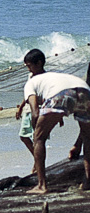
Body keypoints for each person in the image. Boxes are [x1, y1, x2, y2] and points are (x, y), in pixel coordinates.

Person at [20, 49, 90, 195]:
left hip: (60, 94)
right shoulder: (51, 76)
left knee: (39, 139)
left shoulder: (30, 84)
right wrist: (77, 145)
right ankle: (87, 182)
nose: (28, 69)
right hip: (85, 90)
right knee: (88, 137)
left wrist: (37, 130)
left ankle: (41, 185)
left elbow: (35, 111)